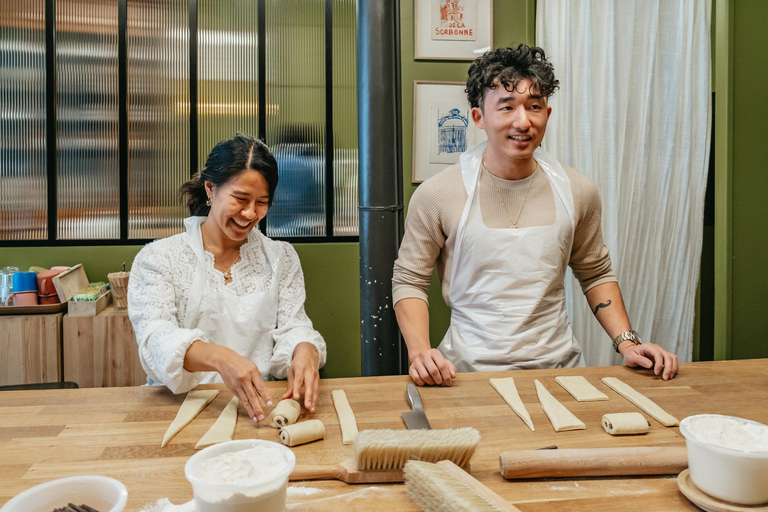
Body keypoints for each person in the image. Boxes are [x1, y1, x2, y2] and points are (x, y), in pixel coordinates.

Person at [393, 44, 679, 387]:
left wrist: (627, 343)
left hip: (560, 371)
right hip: (466, 373)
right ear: (478, 117)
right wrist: (420, 352)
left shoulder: (577, 189)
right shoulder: (438, 194)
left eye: (534, 106)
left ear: (548, 113)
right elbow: (409, 279)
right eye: (507, 107)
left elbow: (595, 272)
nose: (523, 121)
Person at [128, 133, 326, 423]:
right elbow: (155, 340)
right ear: (211, 188)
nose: (250, 213)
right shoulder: (159, 258)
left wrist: (304, 348)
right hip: (177, 411)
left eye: (262, 202)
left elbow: (294, 325)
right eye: (240, 199)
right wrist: (220, 358)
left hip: (258, 409)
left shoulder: (281, 257)